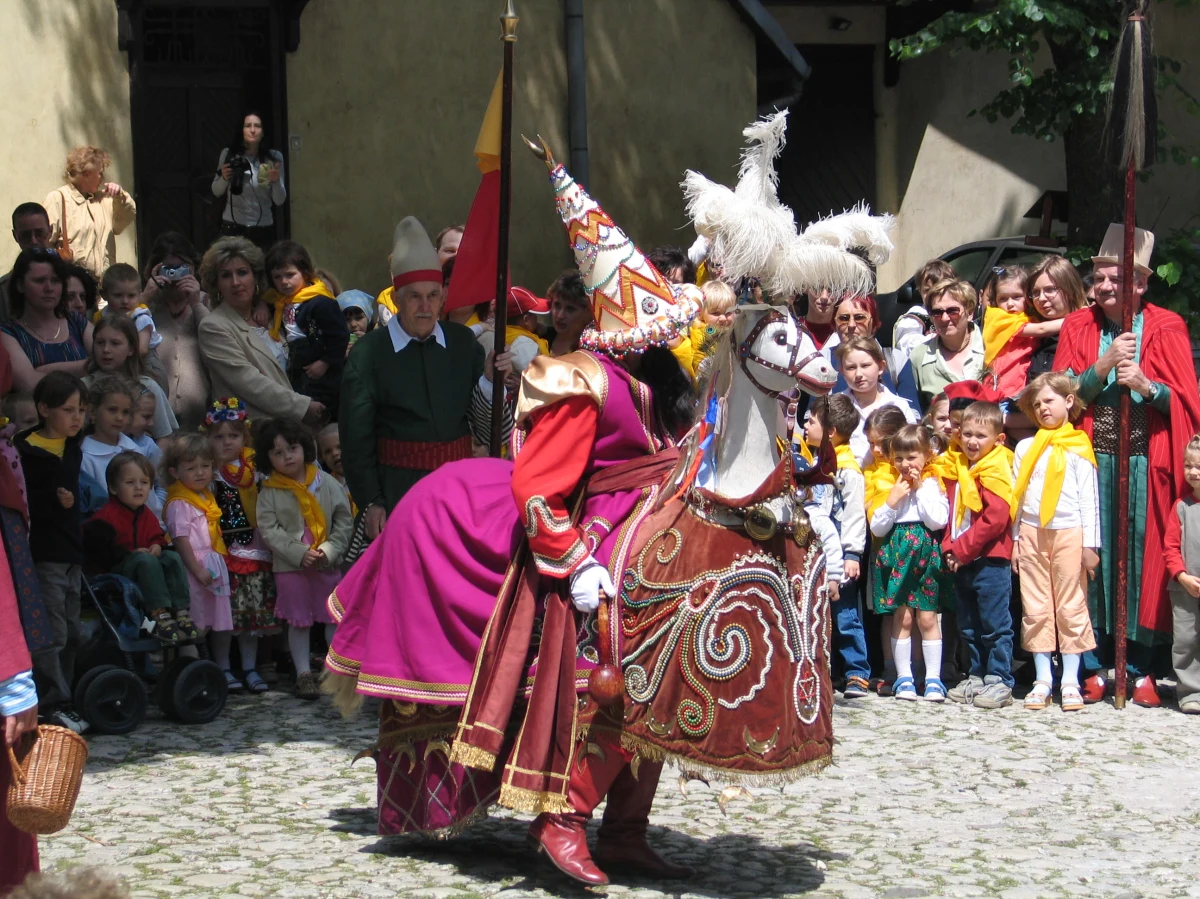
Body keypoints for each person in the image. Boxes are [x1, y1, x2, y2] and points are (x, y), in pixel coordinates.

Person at [325, 151, 702, 882]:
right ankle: (555, 811)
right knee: (601, 667)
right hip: (581, 534)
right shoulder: (584, 378)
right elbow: (537, 484)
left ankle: (626, 826)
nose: (665, 335)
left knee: (662, 665)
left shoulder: (657, 382)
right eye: (652, 322)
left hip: (641, 526)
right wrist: (576, 560)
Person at [1055, 224, 1200, 707]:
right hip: (1090, 460)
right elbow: (1058, 395)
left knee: (1143, 561)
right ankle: (1095, 663)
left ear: (1139, 282)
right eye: (1098, 278)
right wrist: (1102, 367)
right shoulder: (1079, 326)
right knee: (1092, 557)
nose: (1103, 286)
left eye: (1114, 278)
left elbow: (1187, 404)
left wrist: (1147, 386)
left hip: (1145, 461)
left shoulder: (1167, 326)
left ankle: (1140, 667)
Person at [339, 217, 498, 540]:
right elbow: (356, 442)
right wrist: (371, 501)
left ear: (443, 297)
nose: (426, 306)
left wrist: (491, 382)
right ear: (397, 299)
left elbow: (487, 428)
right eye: (414, 296)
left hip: (460, 491)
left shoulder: (463, 344)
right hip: (399, 492)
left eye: (433, 295)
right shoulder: (368, 354)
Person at [1010, 372, 1100, 712]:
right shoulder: (1025, 447)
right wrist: (1016, 539)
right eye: (1036, 405)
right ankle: (1043, 678)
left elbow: (1090, 499)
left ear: (1068, 401)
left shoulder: (1078, 445)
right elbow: (1018, 497)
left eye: (1049, 401)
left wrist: (1091, 545)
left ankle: (1071, 680)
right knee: (1035, 604)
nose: (1043, 408)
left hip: (1069, 532)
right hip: (1032, 531)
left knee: (1071, 603)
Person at [255, 418, 351, 701]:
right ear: (268, 458)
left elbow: (344, 519)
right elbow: (269, 529)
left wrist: (330, 550)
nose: (287, 457)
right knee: (299, 621)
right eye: (278, 452)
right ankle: (303, 674)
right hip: (291, 567)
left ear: (305, 448)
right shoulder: (270, 492)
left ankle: (336, 673)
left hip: (326, 563)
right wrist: (297, 552)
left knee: (332, 617)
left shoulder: (327, 482)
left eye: (292, 448)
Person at [15, 372, 88, 733]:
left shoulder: (74, 447)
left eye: (81, 410)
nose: (77, 418)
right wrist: (53, 501)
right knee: (51, 632)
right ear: (44, 409)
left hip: (71, 552)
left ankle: (67, 695)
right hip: (42, 555)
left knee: (72, 632)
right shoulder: (22, 450)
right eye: (68, 410)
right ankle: (51, 701)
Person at [197, 237, 324, 426]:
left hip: (295, 428)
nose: (235, 282)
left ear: (256, 277)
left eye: (242, 272)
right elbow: (249, 382)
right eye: (226, 275)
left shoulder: (275, 314)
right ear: (217, 284)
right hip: (254, 431)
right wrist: (303, 406)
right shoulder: (213, 326)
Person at [941, 401, 1016, 709]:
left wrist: (961, 549)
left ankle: (1000, 679)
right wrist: (949, 547)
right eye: (967, 434)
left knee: (994, 623)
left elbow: (995, 519)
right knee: (968, 623)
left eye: (981, 436)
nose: (972, 441)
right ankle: (976, 674)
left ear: (998, 439)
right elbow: (952, 513)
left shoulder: (996, 468)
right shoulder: (958, 466)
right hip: (963, 558)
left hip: (990, 559)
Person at [870, 423, 950, 702]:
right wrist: (892, 501)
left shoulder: (933, 484)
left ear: (927, 455)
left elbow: (938, 520)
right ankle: (904, 677)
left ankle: (933, 679)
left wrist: (919, 489)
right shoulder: (889, 484)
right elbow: (877, 528)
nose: (905, 464)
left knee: (927, 617)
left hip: (925, 555)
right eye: (899, 458)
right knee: (902, 617)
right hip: (897, 555)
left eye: (912, 457)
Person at [81, 452, 195, 642]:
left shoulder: (146, 514)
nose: (138, 487)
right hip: (117, 573)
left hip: (147, 569)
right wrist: (130, 553)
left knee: (172, 557)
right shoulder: (105, 518)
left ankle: (180, 610)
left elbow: (157, 536)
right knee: (144, 560)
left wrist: (157, 545)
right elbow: (99, 553)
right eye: (130, 482)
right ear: (113, 488)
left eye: (144, 482)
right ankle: (158, 614)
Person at [206, 399, 278, 694]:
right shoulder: (209, 472)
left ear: (244, 437)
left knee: (251, 614)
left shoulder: (256, 469)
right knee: (227, 615)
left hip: (256, 547)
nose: (227, 442)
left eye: (233, 435)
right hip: (224, 549)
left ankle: (249, 667)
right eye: (219, 437)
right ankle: (223, 667)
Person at [803, 395, 870, 697]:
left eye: (811, 421)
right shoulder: (812, 462)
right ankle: (828, 670)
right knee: (818, 611)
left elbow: (854, 514)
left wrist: (852, 554)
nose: (805, 425)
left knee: (844, 613)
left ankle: (857, 670)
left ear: (830, 432)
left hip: (840, 552)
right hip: (815, 548)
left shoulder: (847, 470)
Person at [163, 434, 236, 688]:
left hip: (212, 563)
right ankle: (192, 674)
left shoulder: (206, 496)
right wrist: (196, 569)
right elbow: (180, 540)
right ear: (174, 472)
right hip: (194, 567)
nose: (200, 472)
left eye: (205, 466)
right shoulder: (179, 502)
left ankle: (221, 668)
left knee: (220, 622)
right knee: (195, 623)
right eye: (191, 468)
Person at [262, 240, 350, 420]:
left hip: (320, 365)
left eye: (290, 275)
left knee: (320, 408)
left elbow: (340, 336)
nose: (284, 282)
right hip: (296, 362)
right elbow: (265, 300)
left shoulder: (320, 302)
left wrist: (325, 362)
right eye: (277, 277)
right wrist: (261, 306)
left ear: (305, 272)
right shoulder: (280, 301)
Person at [861, 405, 910, 696]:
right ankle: (890, 669)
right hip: (882, 550)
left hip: (911, 550)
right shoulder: (869, 471)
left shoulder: (909, 467)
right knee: (887, 612)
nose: (876, 450)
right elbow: (868, 509)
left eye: (882, 442)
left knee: (916, 612)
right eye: (871, 443)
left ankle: (915, 670)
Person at [141, 232, 210, 431]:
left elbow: (216, 340)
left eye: (181, 268)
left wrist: (196, 304)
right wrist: (143, 299)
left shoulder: (206, 302)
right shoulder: (145, 306)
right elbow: (121, 336)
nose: (174, 275)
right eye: (168, 268)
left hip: (202, 420)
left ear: (193, 269)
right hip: (155, 421)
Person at [2, 248, 94, 392]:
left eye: (56, 281)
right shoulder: (8, 333)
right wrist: (89, 367)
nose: (49, 288)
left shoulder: (76, 321)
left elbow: (111, 360)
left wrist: (47, 370)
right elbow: (30, 384)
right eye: (39, 281)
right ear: (20, 285)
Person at [44, 146, 136, 279]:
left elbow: (122, 222)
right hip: (73, 283)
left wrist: (120, 196)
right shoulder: (57, 199)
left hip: (103, 285)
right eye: (100, 173)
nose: (102, 178)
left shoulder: (104, 200)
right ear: (86, 175)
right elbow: (45, 243)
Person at [85, 315, 178, 443]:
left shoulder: (148, 387)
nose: (106, 350)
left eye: (115, 343)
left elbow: (165, 438)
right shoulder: (83, 387)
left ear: (131, 349)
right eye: (100, 342)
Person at [78, 376, 155, 518]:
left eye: (125, 412)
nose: (119, 418)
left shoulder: (134, 449)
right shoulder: (84, 457)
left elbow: (150, 500)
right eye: (112, 410)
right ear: (92, 412)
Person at [836, 336, 919, 465]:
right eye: (851, 367)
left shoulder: (899, 405)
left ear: (881, 367)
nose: (858, 374)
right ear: (842, 371)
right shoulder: (833, 407)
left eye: (865, 366)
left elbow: (913, 447)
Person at [908, 278, 986, 411]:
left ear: (970, 313)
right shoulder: (919, 357)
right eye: (937, 312)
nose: (944, 318)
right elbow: (918, 412)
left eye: (952, 311)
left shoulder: (990, 346)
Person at [212, 112, 285, 248]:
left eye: (257, 126)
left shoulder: (274, 157)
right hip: (232, 227)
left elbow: (279, 200)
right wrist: (224, 178)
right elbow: (216, 191)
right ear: (242, 130)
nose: (252, 130)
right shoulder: (229, 154)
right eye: (248, 126)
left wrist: (276, 182)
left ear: (263, 131)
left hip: (263, 228)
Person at [1168, 435, 1200, 714]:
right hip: (1185, 588)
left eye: (1199, 466)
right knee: (1186, 640)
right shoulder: (1181, 506)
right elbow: (1170, 547)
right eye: (1189, 465)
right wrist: (1181, 576)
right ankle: (1190, 692)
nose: (1193, 472)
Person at [97, 263, 166, 388]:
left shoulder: (140, 317)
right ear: (104, 295)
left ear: (139, 294)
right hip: (118, 365)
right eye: (118, 295)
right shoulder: (102, 316)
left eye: (131, 296)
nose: (125, 301)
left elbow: (142, 349)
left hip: (145, 366)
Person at [892, 258, 954, 360]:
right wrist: (936, 340)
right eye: (927, 290)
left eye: (940, 289)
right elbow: (906, 343)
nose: (933, 294)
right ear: (920, 291)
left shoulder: (955, 311)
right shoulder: (917, 315)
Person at [1, 203, 53, 318]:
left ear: (50, 231)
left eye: (39, 233)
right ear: (15, 236)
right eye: (25, 235)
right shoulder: (4, 290)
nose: (33, 241)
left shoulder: (73, 281)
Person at [545, 271, 594, 358]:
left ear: (588, 312)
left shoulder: (591, 351)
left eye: (570, 309)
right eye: (557, 305)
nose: (560, 316)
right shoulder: (539, 337)